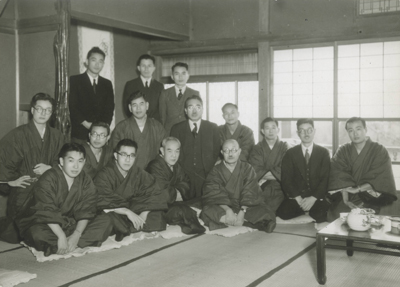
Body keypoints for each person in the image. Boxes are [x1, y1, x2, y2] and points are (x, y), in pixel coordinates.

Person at [17, 143, 113, 257]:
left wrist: (77, 234)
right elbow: (46, 211)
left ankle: (68, 243)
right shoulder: (48, 178)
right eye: (71, 161)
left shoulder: (85, 179)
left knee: (106, 221)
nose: (76, 166)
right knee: (36, 233)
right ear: (62, 162)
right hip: (48, 224)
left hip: (71, 223)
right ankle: (68, 243)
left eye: (80, 161)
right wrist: (61, 236)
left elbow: (87, 209)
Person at [0, 93, 65, 243]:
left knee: (48, 234)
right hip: (24, 191)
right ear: (32, 110)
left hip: (49, 191)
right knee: (17, 235)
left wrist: (50, 168)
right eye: (40, 109)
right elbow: (3, 160)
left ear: (52, 113)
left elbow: (65, 162)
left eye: (48, 110)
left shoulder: (57, 136)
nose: (43, 113)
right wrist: (10, 182)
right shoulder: (17, 135)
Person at [94, 139, 167, 240]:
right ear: (116, 156)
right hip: (116, 211)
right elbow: (101, 199)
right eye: (124, 154)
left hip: (134, 209)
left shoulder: (138, 173)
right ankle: (130, 228)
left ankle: (129, 227)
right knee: (106, 220)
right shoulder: (104, 174)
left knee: (157, 216)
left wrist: (144, 212)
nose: (128, 160)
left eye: (132, 155)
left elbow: (154, 192)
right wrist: (127, 212)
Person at [327, 117, 397, 221]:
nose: (355, 134)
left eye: (358, 129)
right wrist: (345, 200)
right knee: (337, 215)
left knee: (363, 219)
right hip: (346, 195)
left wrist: (357, 189)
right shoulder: (343, 150)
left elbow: (380, 177)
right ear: (347, 132)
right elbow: (339, 176)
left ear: (365, 129)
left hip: (370, 197)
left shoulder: (379, 150)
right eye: (351, 130)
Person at [200, 139, 276, 232]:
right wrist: (228, 210)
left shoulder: (247, 168)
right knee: (207, 210)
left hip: (246, 206)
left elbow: (250, 192)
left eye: (234, 150)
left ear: (239, 151)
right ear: (222, 152)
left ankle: (231, 221)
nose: (230, 154)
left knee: (267, 212)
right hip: (223, 205)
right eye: (226, 150)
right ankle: (246, 223)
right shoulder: (216, 171)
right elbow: (214, 193)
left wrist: (242, 211)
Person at [146, 137, 206, 234]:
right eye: (169, 151)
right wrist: (178, 191)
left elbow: (187, 184)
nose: (174, 155)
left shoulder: (176, 166)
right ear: (162, 151)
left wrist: (175, 191)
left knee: (204, 199)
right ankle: (192, 214)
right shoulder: (154, 166)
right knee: (181, 210)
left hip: (173, 202)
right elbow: (164, 195)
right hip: (158, 206)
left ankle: (192, 213)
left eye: (177, 151)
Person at [276, 118, 330, 223]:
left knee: (323, 214)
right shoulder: (290, 153)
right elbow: (286, 180)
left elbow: (325, 179)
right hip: (298, 198)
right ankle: (306, 214)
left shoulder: (323, 153)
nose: (306, 133)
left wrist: (313, 198)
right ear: (297, 133)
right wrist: (298, 199)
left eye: (309, 130)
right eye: (302, 130)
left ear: (314, 131)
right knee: (282, 213)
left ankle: (304, 215)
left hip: (316, 198)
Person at [170, 95, 220, 198]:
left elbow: (217, 151)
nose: (194, 110)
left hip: (207, 177)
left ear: (202, 110)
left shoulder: (212, 128)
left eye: (198, 107)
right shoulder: (177, 129)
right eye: (190, 107)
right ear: (185, 110)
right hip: (184, 178)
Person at [69, 46, 115, 143]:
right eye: (94, 60)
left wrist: (103, 127)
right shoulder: (75, 80)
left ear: (103, 64)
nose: (97, 64)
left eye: (100, 61)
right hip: (80, 133)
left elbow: (110, 108)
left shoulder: (107, 83)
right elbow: (73, 106)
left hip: (100, 134)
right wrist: (87, 125)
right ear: (87, 61)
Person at [110, 91, 166, 169]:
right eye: (134, 105)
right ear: (130, 108)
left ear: (147, 105)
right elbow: (114, 155)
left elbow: (163, 154)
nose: (138, 108)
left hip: (152, 174)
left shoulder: (157, 127)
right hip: (128, 174)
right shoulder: (121, 128)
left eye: (141, 104)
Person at [249, 117, 289, 212]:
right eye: (267, 128)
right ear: (262, 131)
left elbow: (286, 170)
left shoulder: (284, 147)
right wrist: (278, 174)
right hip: (261, 186)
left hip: (281, 187)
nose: (271, 131)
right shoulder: (257, 148)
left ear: (278, 130)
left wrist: (265, 173)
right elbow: (255, 170)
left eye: (273, 128)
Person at [159, 62, 200, 134]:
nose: (180, 77)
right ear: (172, 76)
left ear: (188, 76)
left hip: (189, 132)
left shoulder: (195, 93)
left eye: (183, 74)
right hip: (170, 133)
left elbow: (197, 117)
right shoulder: (164, 94)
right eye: (177, 74)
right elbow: (162, 118)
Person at [122, 54, 164, 120]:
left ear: (154, 68)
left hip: (154, 124)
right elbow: (127, 107)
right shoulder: (130, 84)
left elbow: (161, 108)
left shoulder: (159, 86)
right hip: (136, 122)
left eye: (149, 66)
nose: (146, 69)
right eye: (143, 66)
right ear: (138, 68)